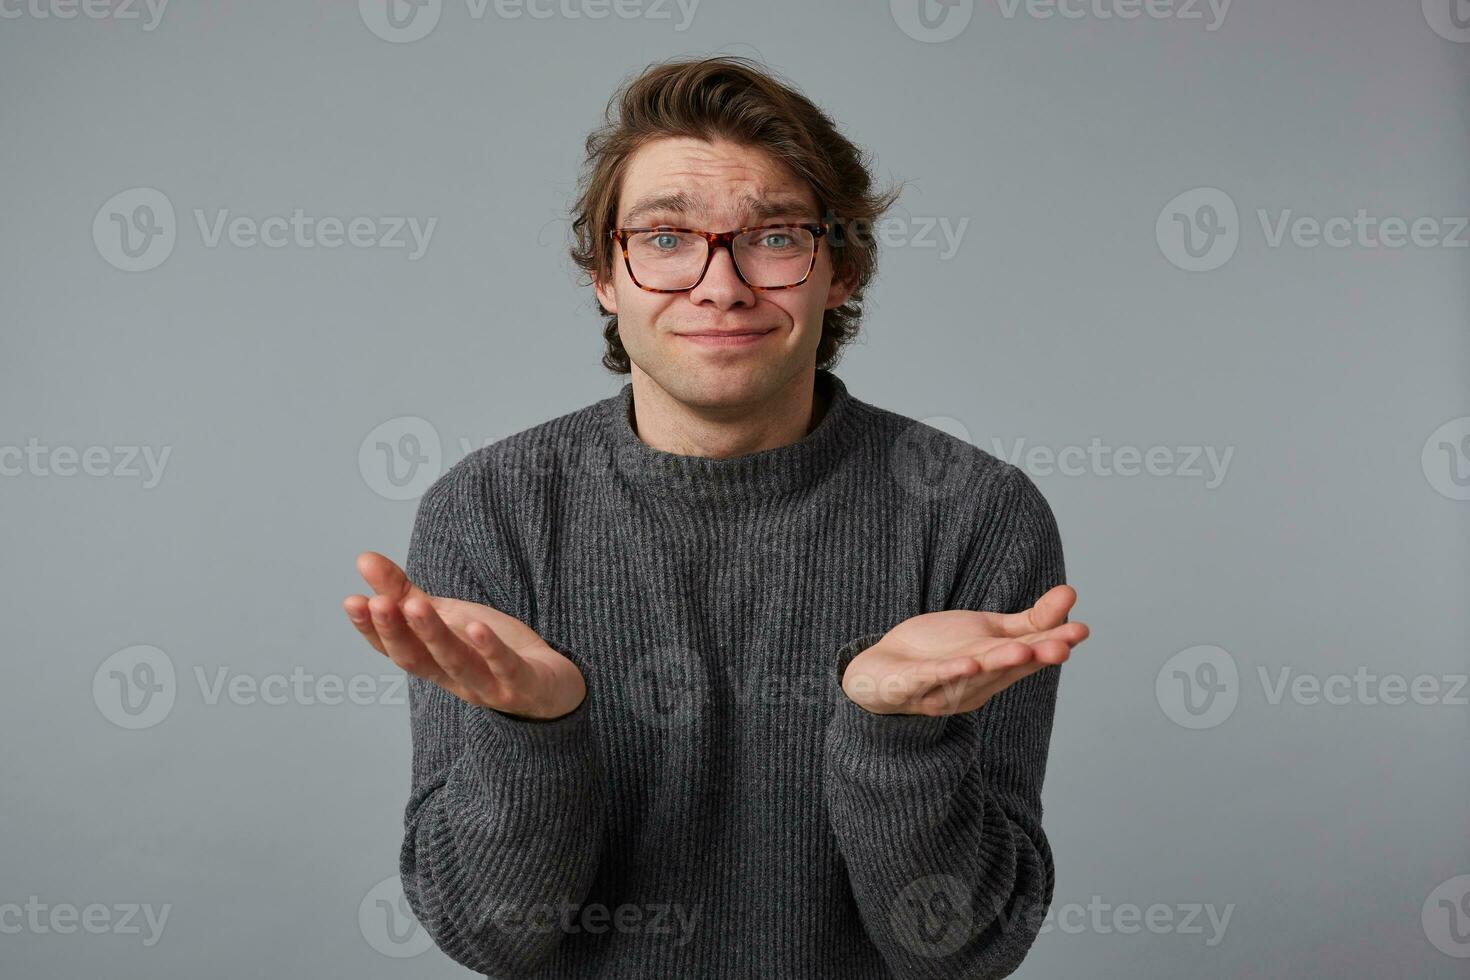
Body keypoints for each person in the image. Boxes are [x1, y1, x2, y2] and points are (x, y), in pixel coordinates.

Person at [342, 54, 1090, 980]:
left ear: (842, 269)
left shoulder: (977, 513)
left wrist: (896, 736)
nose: (720, 284)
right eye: (664, 238)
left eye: (774, 237)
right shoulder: (491, 509)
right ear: (605, 278)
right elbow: (492, 937)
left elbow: (966, 950)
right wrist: (529, 733)